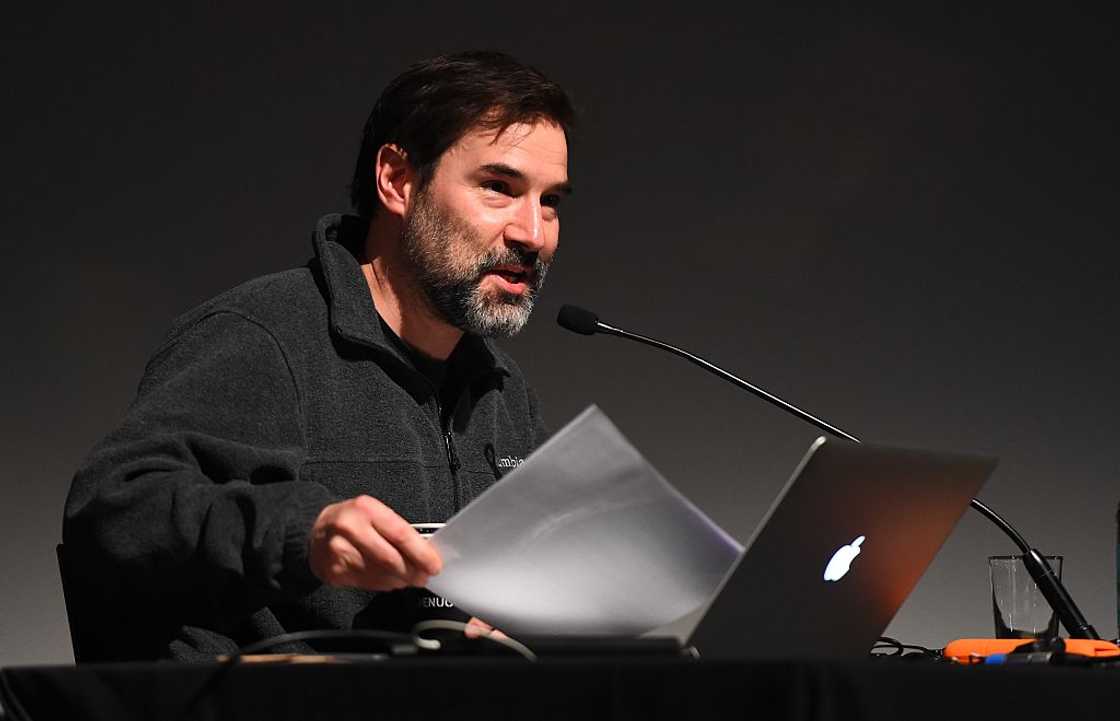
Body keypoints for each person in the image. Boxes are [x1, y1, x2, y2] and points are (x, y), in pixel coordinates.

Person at [62, 51, 576, 661]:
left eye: (551, 202)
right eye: (499, 187)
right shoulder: (263, 336)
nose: (534, 233)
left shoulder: (502, 390)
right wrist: (302, 530)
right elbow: (112, 511)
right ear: (397, 180)